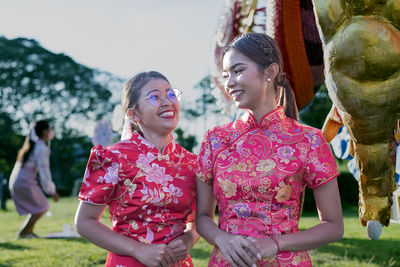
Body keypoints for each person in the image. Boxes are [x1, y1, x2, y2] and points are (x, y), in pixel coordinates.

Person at [196, 32, 344, 267]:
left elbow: (334, 226)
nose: (229, 82)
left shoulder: (309, 140)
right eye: (226, 75)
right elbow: (203, 217)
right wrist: (223, 240)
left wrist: (276, 243)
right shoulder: (215, 140)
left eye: (238, 70)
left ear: (270, 72)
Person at [75, 71, 199, 267]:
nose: (167, 101)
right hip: (128, 262)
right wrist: (137, 249)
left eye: (171, 94)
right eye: (155, 97)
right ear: (134, 114)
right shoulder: (112, 158)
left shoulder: (192, 163)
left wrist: (189, 239)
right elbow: (84, 223)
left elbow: (197, 220)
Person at [9, 120, 59, 238]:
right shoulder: (41, 148)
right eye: (50, 129)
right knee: (43, 206)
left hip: (20, 181)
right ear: (44, 132)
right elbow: (44, 172)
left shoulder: (34, 145)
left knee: (39, 207)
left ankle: (28, 232)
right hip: (24, 182)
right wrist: (52, 191)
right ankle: (24, 232)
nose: (52, 132)